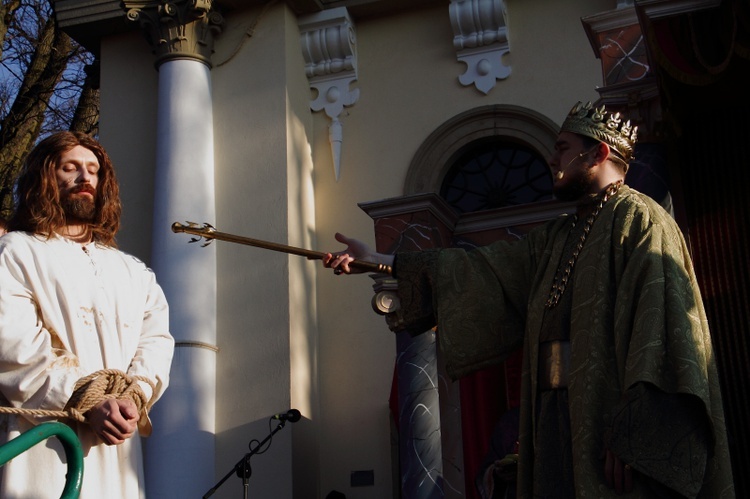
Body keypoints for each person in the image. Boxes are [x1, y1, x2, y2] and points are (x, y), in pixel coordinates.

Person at [323, 102, 735, 498]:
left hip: (608, 420)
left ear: (599, 153)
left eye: (562, 149)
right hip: (554, 416)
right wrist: (378, 262)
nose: (551, 161)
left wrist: (637, 434)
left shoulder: (640, 219)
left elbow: (663, 328)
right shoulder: (559, 235)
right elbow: (484, 269)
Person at [0, 132, 174, 498]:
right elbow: (12, 347)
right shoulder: (15, 251)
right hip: (44, 442)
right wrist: (88, 399)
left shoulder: (133, 271)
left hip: (119, 454)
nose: (85, 178)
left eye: (93, 170)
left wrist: (133, 397)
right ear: (45, 177)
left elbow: (156, 342)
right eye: (71, 168)